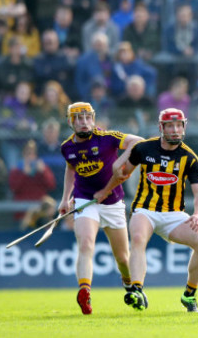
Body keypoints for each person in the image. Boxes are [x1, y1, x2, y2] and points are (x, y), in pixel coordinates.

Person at [95, 108, 198, 313]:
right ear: (161, 127)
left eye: (179, 125)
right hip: (144, 209)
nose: (175, 130)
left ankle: (189, 295)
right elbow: (122, 174)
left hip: (173, 215)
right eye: (170, 126)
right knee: (138, 239)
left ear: (184, 126)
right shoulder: (144, 148)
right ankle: (137, 290)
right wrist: (105, 190)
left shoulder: (190, 158)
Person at [59, 102, 143, 315]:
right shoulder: (67, 147)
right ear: (71, 122)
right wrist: (65, 198)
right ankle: (84, 291)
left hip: (113, 203)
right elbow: (71, 169)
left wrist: (120, 162)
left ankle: (128, 284)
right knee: (86, 243)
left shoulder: (108, 137)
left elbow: (139, 142)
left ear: (93, 119)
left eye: (87, 118)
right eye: (78, 118)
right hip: (85, 201)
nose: (83, 122)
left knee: (123, 258)